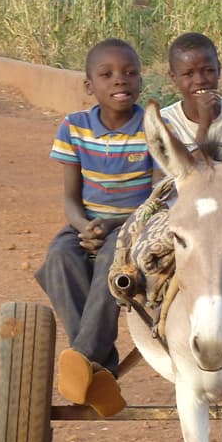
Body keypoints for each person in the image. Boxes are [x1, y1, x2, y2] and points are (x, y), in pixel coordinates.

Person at [34, 38, 156, 418]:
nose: (121, 80)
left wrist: (115, 223)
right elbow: (71, 197)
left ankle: (84, 358)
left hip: (136, 225)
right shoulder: (74, 127)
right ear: (90, 86)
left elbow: (159, 197)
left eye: (130, 72)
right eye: (107, 75)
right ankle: (102, 367)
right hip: (87, 223)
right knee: (60, 256)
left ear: (141, 79)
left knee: (109, 261)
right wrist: (83, 226)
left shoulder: (153, 126)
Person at [159, 32, 222, 154]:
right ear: (173, 77)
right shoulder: (167, 122)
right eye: (188, 74)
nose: (200, 80)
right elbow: (189, 171)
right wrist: (204, 125)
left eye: (208, 70)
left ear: (219, 70)